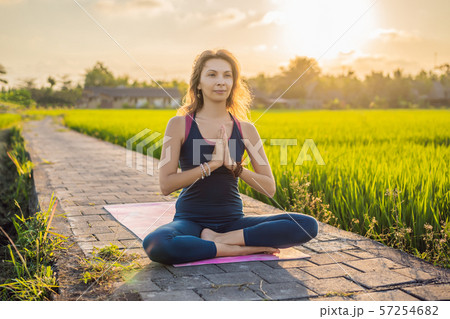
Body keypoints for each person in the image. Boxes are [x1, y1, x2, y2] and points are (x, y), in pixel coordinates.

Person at [142, 49, 318, 265]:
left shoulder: (246, 130)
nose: (221, 82)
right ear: (198, 83)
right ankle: (237, 250)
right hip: (190, 222)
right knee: (157, 243)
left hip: (233, 223)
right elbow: (166, 184)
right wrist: (212, 165)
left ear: (234, 83)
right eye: (212, 75)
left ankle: (220, 241)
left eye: (227, 75)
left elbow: (268, 188)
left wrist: (236, 168)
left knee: (307, 225)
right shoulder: (179, 125)